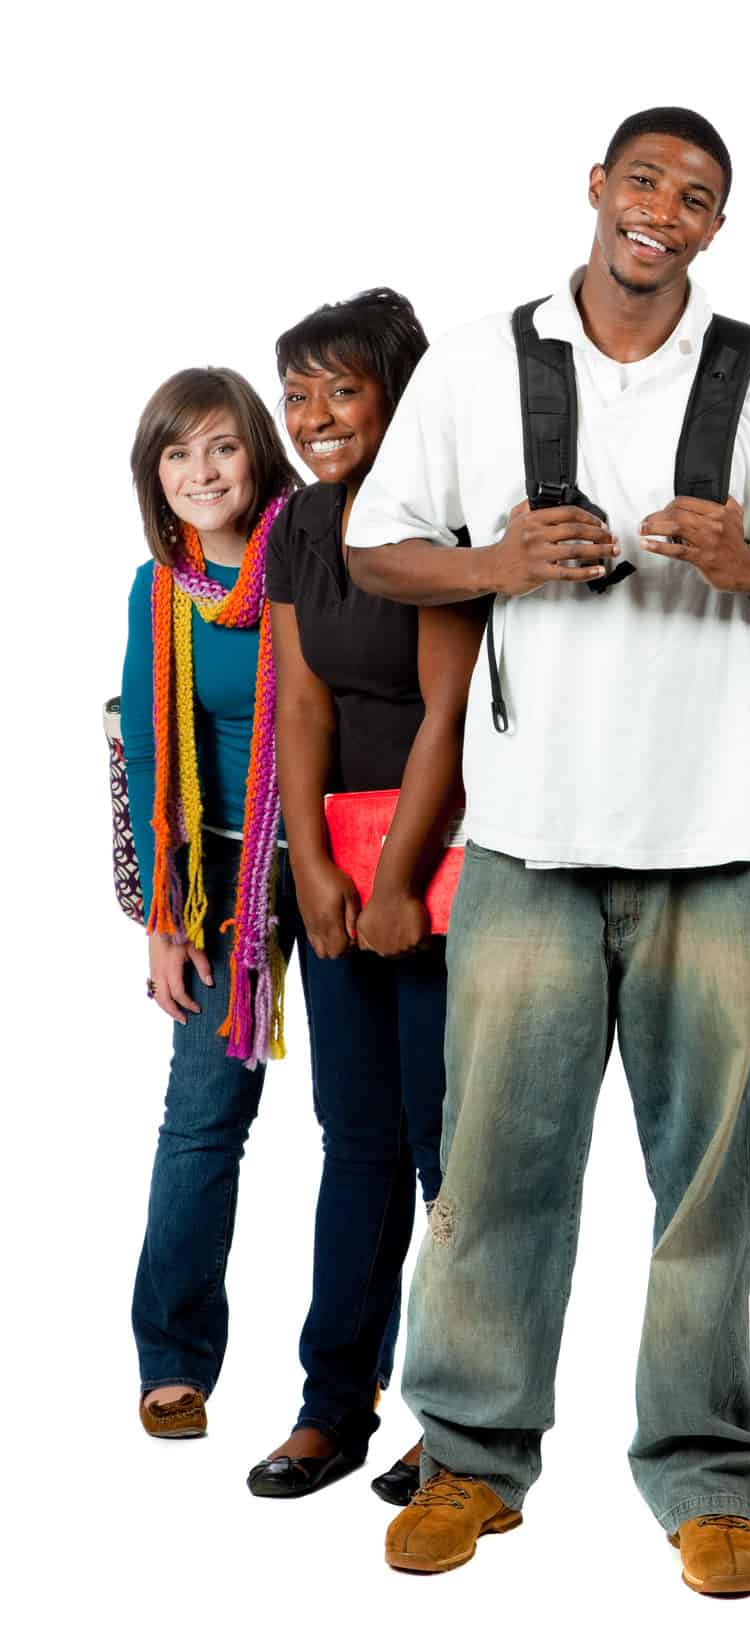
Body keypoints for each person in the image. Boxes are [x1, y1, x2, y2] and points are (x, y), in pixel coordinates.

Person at [344, 107, 750, 1594]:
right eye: (644, 180)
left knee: (706, 1179)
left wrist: (744, 561)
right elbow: (374, 548)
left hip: (714, 837)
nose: (663, 209)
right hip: (527, 830)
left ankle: (707, 1474)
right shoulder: (476, 359)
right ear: (596, 190)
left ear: (717, 226)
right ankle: (466, 1457)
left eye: (695, 196)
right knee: (499, 1161)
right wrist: (497, 562)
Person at [247, 289, 482, 1498]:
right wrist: (314, 868)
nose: (314, 414)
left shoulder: (434, 519)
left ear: (397, 393)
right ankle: (332, 1404)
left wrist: (394, 880)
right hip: (336, 866)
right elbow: (301, 702)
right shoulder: (294, 528)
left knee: (452, 1151)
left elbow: (447, 708)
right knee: (355, 1142)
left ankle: (452, 1420)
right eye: (297, 392)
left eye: (341, 388)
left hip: (445, 865)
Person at [124, 367, 299, 1437]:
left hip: (331, 859)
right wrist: (163, 921)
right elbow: (150, 752)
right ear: (155, 474)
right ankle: (174, 1357)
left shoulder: (312, 556)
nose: (202, 471)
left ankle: (360, 1374)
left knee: (377, 1125)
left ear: (256, 453)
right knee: (202, 1121)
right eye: (178, 453)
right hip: (221, 880)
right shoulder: (160, 588)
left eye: (222, 446)